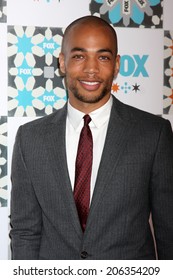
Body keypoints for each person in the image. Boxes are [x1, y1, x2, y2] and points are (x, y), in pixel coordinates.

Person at [10, 15, 173, 260]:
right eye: (79, 56)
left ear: (116, 65)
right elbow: (24, 232)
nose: (91, 69)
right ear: (62, 63)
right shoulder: (30, 138)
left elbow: (168, 230)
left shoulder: (154, 134)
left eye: (103, 57)